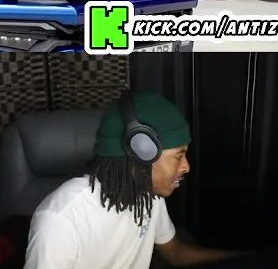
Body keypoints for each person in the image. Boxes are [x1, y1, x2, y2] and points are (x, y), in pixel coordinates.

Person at [24, 90, 253, 269]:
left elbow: (174, 252)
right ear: (141, 152)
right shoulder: (60, 220)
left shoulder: (148, 193)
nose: (186, 166)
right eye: (178, 156)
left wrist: (245, 260)